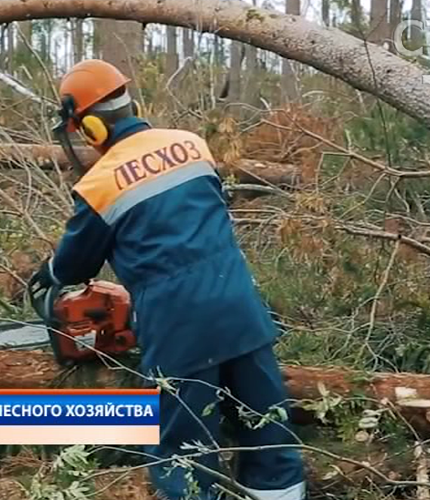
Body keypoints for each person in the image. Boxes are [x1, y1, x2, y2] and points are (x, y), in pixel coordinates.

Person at [28, 59, 306, 500]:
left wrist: (51, 273)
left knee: (183, 456)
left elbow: (76, 266)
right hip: (242, 314)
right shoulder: (191, 145)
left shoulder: (100, 183)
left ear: (91, 129)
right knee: (270, 439)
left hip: (179, 332)